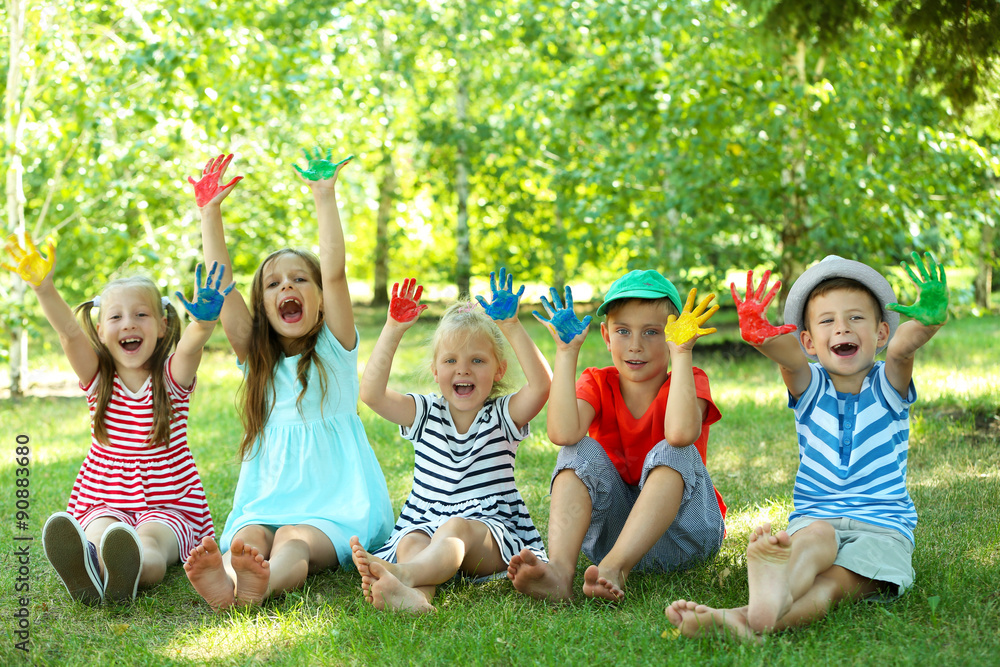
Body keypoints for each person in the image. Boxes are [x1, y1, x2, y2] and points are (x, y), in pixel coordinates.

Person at [666, 252, 949, 640]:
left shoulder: (889, 384)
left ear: (881, 334)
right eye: (827, 321)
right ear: (809, 340)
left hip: (882, 528)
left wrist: (927, 322)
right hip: (817, 518)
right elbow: (791, 362)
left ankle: (744, 616)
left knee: (832, 585)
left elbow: (903, 350)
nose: (842, 328)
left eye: (856, 318)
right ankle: (762, 604)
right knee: (813, 541)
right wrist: (760, 334)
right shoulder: (811, 386)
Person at [181, 150, 394, 611]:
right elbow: (221, 284)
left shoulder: (335, 349)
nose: (287, 288)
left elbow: (335, 270)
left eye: (300, 279)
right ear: (263, 305)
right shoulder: (255, 359)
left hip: (333, 506)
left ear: (320, 300)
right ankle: (233, 582)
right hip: (266, 499)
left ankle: (263, 587)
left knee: (293, 542)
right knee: (248, 537)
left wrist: (324, 194)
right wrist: (209, 212)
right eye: (273, 284)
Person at [4, 234, 225, 605]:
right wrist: (43, 288)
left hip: (167, 503)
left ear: (163, 325)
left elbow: (192, 345)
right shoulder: (99, 377)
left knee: (150, 544)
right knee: (97, 533)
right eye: (116, 317)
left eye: (141, 315)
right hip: (105, 496)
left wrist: (202, 324)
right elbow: (68, 333)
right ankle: (88, 567)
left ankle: (128, 573)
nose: (129, 324)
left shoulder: (172, 378)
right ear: (102, 331)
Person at [507, 270, 727, 603]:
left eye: (652, 333)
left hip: (686, 538)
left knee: (675, 450)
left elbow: (681, 434)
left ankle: (615, 569)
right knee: (574, 450)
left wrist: (681, 353)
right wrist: (566, 353)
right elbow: (562, 433)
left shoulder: (688, 380)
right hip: (612, 536)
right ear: (606, 336)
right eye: (622, 331)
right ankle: (559, 574)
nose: (635, 345)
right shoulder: (597, 382)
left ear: (672, 335)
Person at [349, 269, 551, 613]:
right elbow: (370, 393)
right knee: (412, 540)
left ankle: (402, 574)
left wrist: (512, 325)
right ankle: (415, 598)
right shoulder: (424, 412)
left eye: (477, 360)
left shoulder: (503, 415)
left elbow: (542, 385)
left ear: (498, 370)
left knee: (455, 528)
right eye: (451, 360)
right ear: (435, 370)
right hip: (426, 521)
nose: (463, 370)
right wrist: (393, 329)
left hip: (489, 533)